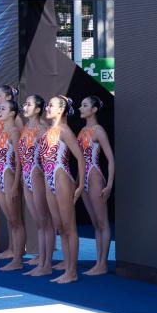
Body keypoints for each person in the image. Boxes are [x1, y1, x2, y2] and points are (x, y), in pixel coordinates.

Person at [38, 95, 85, 284]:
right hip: (49, 179)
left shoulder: (64, 130)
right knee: (59, 226)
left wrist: (80, 185)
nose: (47, 108)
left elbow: (80, 158)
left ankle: (72, 272)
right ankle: (67, 268)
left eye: (51, 105)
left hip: (61, 177)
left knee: (68, 227)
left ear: (61, 110)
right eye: (47, 105)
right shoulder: (49, 130)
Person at [18, 95, 55, 277]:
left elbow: (50, 157)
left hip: (38, 175)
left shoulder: (42, 129)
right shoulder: (26, 127)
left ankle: (47, 264)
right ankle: (41, 262)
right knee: (39, 223)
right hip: (27, 176)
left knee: (45, 221)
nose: (25, 106)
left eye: (29, 104)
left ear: (38, 109)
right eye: (24, 103)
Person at [78, 96, 115, 275]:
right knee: (95, 223)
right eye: (81, 105)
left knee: (102, 222)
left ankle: (102, 264)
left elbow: (111, 159)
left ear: (94, 109)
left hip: (94, 176)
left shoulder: (98, 131)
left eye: (85, 105)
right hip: (84, 178)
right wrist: (78, 183)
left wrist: (109, 185)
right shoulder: (82, 130)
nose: (80, 108)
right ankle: (98, 262)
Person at [0, 100, 25, 271]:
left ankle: (18, 260)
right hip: (1, 178)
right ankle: (14, 256)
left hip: (10, 177)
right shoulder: (1, 132)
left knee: (16, 221)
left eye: (3, 109)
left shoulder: (14, 132)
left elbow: (19, 161)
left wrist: (15, 185)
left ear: (12, 113)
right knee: (11, 221)